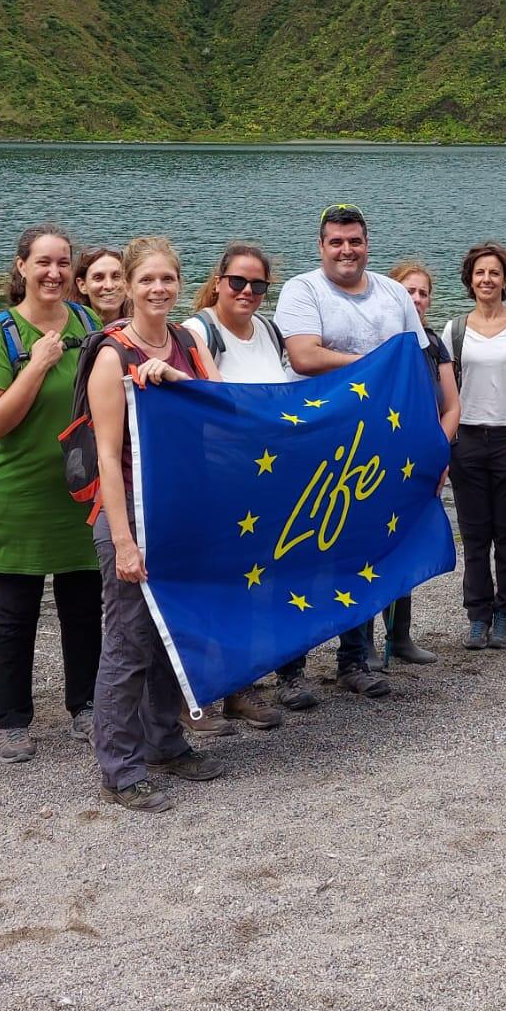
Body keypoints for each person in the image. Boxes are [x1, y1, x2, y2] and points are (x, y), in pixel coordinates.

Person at [88, 236, 227, 811]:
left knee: (176, 637)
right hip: (130, 518)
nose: (159, 289)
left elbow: (225, 409)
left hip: (182, 514)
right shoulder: (110, 356)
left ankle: (166, 741)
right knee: (129, 643)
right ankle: (120, 766)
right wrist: (123, 541)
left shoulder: (189, 341)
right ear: (126, 284)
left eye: (168, 279)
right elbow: (106, 459)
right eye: (147, 280)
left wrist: (178, 381)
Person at [272, 204, 432, 697]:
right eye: (336, 242)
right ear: (321, 246)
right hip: (314, 443)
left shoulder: (392, 293)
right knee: (300, 547)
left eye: (355, 241)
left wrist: (423, 434)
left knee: (362, 549)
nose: (347, 250)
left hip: (378, 445)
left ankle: (353, 660)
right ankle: (291, 670)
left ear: (367, 243)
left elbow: (415, 361)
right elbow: (303, 354)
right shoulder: (302, 290)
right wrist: (373, 364)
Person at [0, 225, 105, 763]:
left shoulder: (91, 324)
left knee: (83, 608)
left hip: (79, 494)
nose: (53, 273)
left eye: (63, 263)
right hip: (16, 498)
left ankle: (86, 706)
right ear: (21, 266)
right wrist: (39, 364)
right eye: (42, 262)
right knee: (15, 613)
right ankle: (13, 722)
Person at [181, 244, 300, 723]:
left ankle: (242, 687)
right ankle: (204, 690)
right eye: (238, 282)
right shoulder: (197, 330)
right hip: (217, 484)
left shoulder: (269, 331)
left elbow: (288, 395)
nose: (248, 292)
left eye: (258, 285)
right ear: (218, 280)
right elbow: (200, 402)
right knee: (216, 585)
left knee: (256, 585)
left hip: (265, 482)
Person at [445, 242, 506, 651]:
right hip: (469, 439)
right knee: (475, 535)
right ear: (469, 280)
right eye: (480, 273)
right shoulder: (455, 329)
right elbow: (446, 390)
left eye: (494, 273)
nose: (487, 280)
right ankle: (478, 614)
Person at [383, 260, 462, 665]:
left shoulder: (433, 343)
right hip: (374, 462)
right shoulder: (378, 342)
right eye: (407, 292)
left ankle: (400, 636)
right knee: (368, 547)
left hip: (419, 463)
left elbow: (451, 406)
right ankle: (360, 646)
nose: (415, 299)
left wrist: (436, 450)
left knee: (405, 544)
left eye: (422, 292)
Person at [74, 245, 130, 324]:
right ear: (82, 285)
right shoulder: (70, 328)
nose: (109, 286)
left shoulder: (144, 327)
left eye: (116, 276)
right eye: (98, 278)